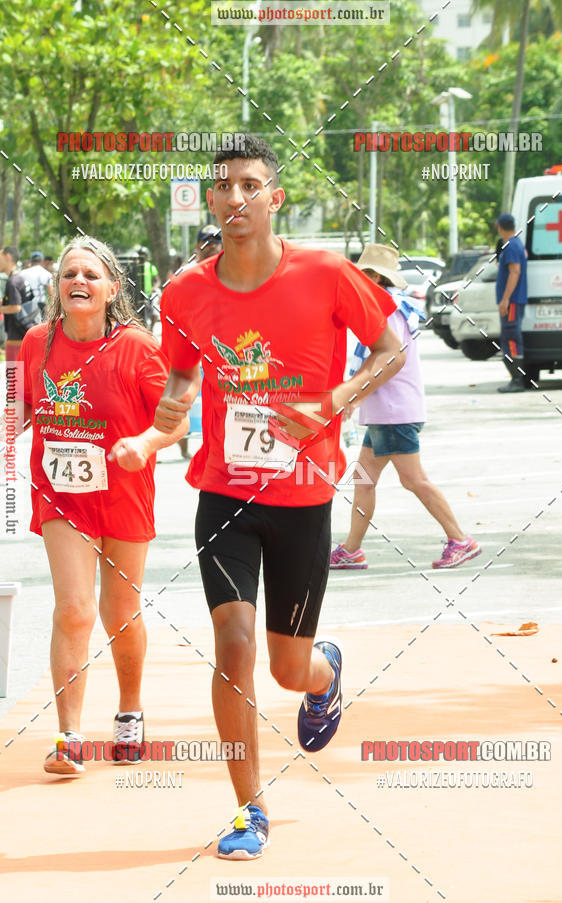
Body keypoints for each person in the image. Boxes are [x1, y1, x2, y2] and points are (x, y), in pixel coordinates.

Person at [155, 136, 405, 858]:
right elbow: (182, 374)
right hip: (224, 495)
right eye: (224, 185)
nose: (236, 196)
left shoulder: (325, 273)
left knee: (286, 668)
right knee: (233, 644)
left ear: (274, 197)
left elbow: (391, 349)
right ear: (211, 200)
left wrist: (335, 399)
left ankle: (323, 672)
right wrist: (173, 403)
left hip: (301, 498)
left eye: (250, 184)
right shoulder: (184, 292)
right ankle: (248, 809)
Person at [17, 236, 189, 777]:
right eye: (70, 274)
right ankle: (68, 737)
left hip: (124, 493)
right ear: (57, 286)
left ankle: (129, 711)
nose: (79, 282)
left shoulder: (137, 346)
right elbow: (19, 408)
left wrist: (145, 443)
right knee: (74, 609)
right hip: (62, 496)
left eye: (91, 275)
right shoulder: (36, 342)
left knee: (121, 613)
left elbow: (178, 420)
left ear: (112, 288)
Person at [330, 244, 481, 571]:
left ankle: (460, 540)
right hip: (387, 413)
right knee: (364, 479)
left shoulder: (387, 311)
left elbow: (389, 361)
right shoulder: (389, 307)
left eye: (361, 275)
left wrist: (355, 396)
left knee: (413, 480)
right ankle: (351, 550)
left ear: (373, 277)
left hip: (393, 412)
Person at [177, 225, 224, 460]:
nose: (213, 245)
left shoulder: (232, 271)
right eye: (208, 241)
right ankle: (184, 449)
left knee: (217, 400)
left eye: (217, 240)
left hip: (221, 348)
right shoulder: (187, 274)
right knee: (185, 397)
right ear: (198, 245)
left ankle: (216, 446)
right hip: (191, 346)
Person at [495, 213, 528, 393]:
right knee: (509, 337)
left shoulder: (511, 246)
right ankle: (516, 378)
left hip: (512, 301)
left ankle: (517, 380)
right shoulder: (515, 244)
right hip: (513, 301)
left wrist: (505, 299)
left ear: (500, 227)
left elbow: (515, 272)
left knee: (511, 338)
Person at [0, 246, 38, 362]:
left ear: (7, 257)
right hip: (26, 332)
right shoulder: (20, 278)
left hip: (16, 336)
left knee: (14, 373)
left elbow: (16, 307)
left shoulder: (13, 281)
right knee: (23, 372)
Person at [24, 250, 54, 315]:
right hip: (41, 306)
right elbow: (51, 293)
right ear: (42, 261)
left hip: (26, 305)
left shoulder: (23, 273)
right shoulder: (46, 274)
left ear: (31, 261)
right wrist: (51, 309)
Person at [137, 246, 159, 331]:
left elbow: (157, 280)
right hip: (139, 295)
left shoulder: (150, 267)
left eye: (144, 254)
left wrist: (154, 288)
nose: (142, 256)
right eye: (140, 254)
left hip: (149, 294)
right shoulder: (136, 266)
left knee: (155, 312)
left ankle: (151, 329)